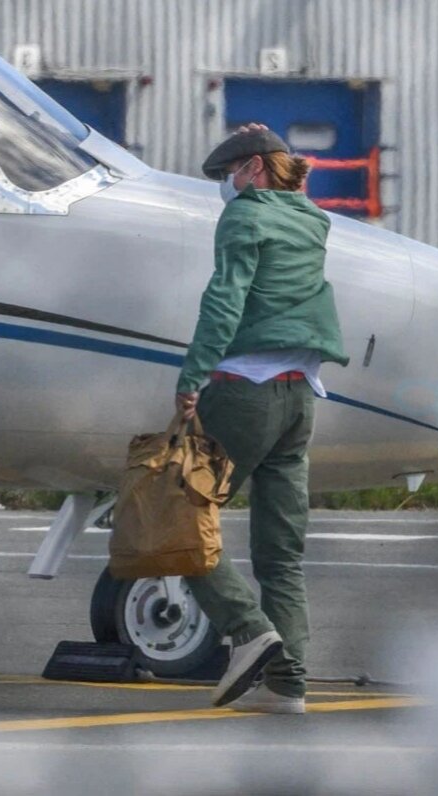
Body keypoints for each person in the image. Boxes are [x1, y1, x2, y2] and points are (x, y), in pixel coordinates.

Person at [174, 124, 349, 713]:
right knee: (280, 555)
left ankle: (248, 632)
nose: (227, 187)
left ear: (251, 169)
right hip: (301, 398)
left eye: (229, 176)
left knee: (179, 518)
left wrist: (193, 375)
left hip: (244, 391)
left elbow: (225, 297)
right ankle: (287, 686)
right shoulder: (311, 219)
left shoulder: (245, 216)